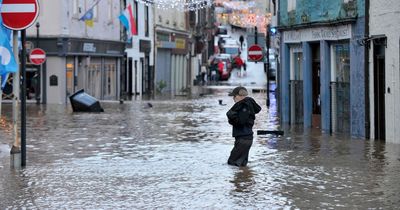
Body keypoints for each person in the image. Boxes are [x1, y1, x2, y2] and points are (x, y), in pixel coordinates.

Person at [226, 86, 261, 167]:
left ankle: (241, 178)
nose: (233, 98)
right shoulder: (246, 105)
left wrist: (231, 118)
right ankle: (244, 178)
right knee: (241, 165)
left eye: (234, 96)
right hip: (245, 138)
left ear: (239, 96)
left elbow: (241, 122)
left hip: (243, 139)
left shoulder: (244, 107)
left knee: (232, 163)